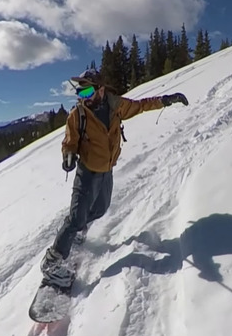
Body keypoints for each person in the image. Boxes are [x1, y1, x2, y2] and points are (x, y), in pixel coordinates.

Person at [40, 68, 189, 290]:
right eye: (80, 93)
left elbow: (141, 105)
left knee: (100, 208)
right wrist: (68, 155)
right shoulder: (78, 115)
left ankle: (80, 232)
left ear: (101, 89)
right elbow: (69, 142)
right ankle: (52, 263)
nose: (84, 97)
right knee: (76, 217)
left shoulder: (116, 105)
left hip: (106, 170)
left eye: (88, 91)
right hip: (87, 171)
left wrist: (165, 100)